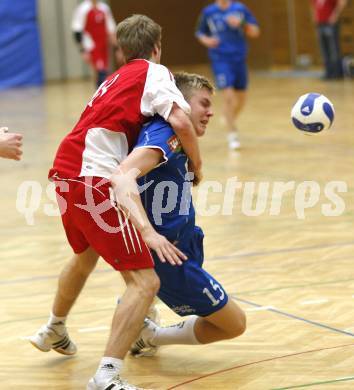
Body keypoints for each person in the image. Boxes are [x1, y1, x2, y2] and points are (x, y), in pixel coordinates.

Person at [29, 14, 202, 390]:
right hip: (94, 178)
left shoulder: (111, 80)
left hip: (65, 170)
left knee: (86, 254)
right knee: (145, 282)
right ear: (157, 47)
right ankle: (106, 376)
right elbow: (182, 121)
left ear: (121, 49)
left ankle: (54, 328)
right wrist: (196, 165)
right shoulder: (154, 73)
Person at [111, 72, 246, 359]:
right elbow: (123, 178)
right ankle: (151, 334)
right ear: (181, 103)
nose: (210, 112)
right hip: (170, 257)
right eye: (204, 104)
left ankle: (137, 309)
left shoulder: (175, 136)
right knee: (235, 324)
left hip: (184, 243)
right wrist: (147, 234)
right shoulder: (164, 136)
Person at [196, 0, 260, 150]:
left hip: (239, 59)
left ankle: (228, 118)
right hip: (220, 60)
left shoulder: (240, 9)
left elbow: (255, 31)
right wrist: (207, 40)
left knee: (242, 99)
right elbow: (200, 32)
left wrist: (242, 23)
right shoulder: (209, 12)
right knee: (229, 97)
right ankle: (232, 134)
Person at [72, 0, 117, 87]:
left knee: (104, 69)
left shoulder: (104, 8)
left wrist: (117, 48)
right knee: (100, 70)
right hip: (91, 44)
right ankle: (99, 93)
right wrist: (82, 50)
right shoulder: (83, 9)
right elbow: (77, 30)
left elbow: (111, 28)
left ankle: (102, 93)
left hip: (104, 44)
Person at [310, 0, 347, 80]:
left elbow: (342, 2)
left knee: (333, 49)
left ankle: (336, 73)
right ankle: (328, 72)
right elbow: (314, 6)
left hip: (330, 24)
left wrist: (335, 15)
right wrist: (315, 15)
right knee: (324, 50)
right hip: (320, 24)